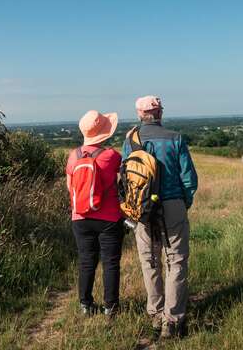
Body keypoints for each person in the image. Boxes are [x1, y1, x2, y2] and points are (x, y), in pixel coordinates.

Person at [122, 96, 198, 338]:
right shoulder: (176, 138)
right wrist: (183, 202)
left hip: (142, 209)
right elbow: (189, 178)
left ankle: (155, 314)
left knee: (149, 260)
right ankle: (172, 320)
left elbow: (125, 178)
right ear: (160, 113)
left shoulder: (130, 140)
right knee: (175, 262)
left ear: (139, 114)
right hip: (173, 203)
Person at [66, 110, 124, 317]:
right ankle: (111, 306)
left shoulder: (73, 156)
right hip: (109, 218)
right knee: (110, 262)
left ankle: (85, 304)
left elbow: (70, 187)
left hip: (80, 217)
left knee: (86, 260)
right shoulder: (112, 156)